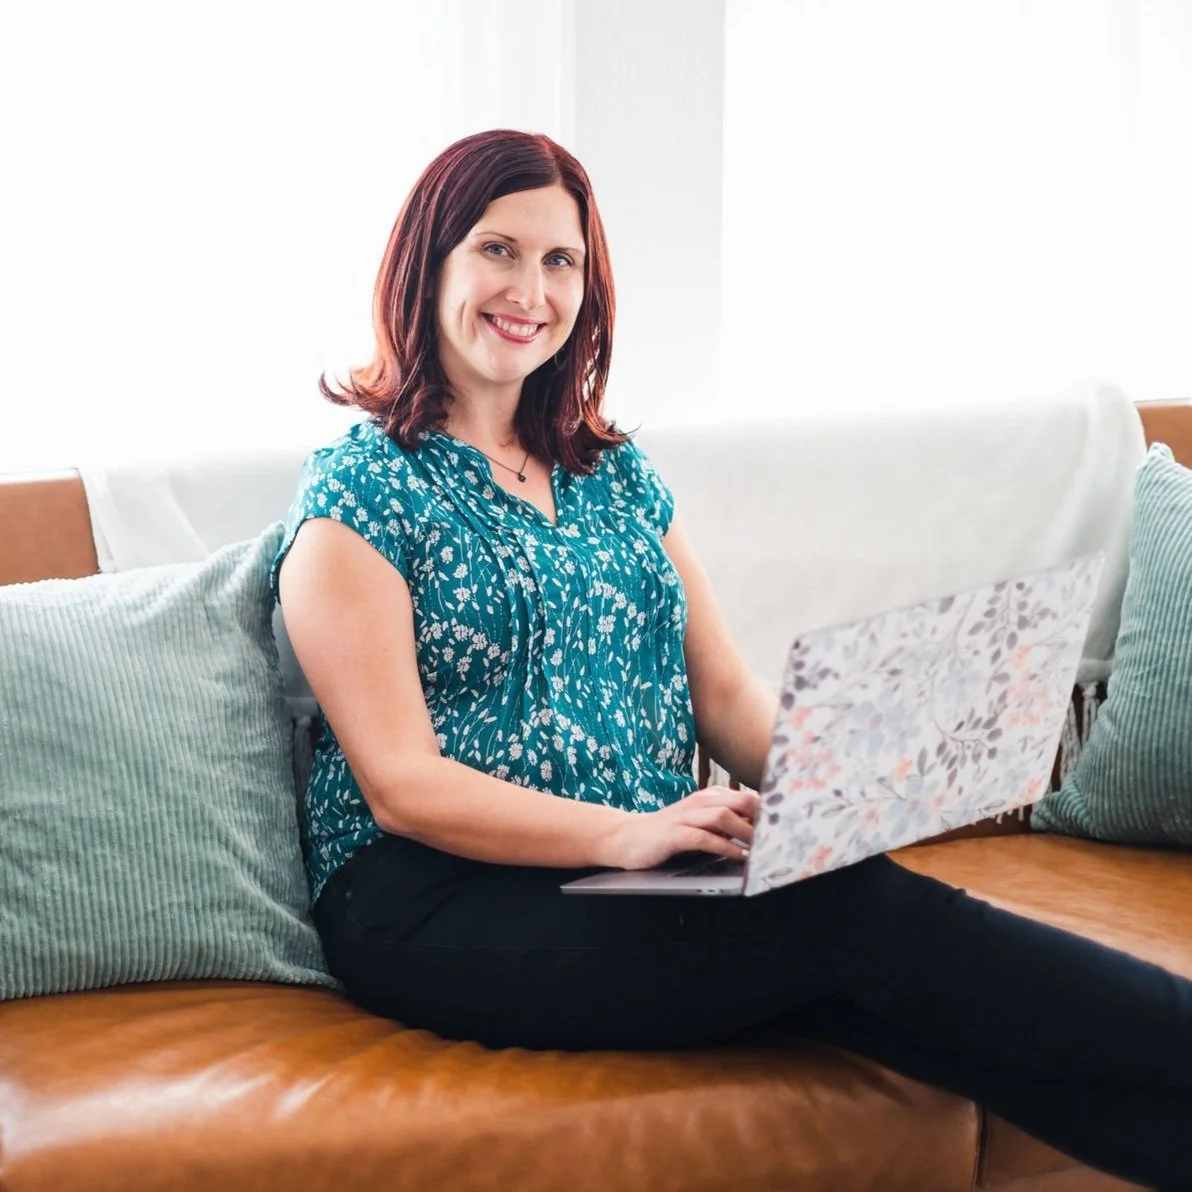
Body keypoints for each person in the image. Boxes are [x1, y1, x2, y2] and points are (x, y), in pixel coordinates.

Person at [272, 129, 1191, 1189]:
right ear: (428, 262)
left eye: (560, 261)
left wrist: (871, 774)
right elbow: (403, 785)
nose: (530, 288)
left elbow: (725, 698)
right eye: (497, 249)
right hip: (428, 900)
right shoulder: (358, 496)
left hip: (628, 875)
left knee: (897, 979)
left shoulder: (613, 475)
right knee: (844, 916)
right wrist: (625, 834)